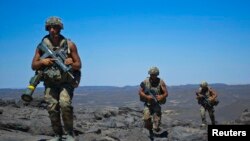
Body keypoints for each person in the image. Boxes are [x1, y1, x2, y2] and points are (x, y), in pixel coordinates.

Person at [31, 16, 82, 141]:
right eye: (50, 27)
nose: (53, 30)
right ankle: (57, 135)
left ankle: (69, 134)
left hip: (66, 82)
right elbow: (33, 66)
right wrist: (43, 61)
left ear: (60, 28)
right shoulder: (42, 45)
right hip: (50, 82)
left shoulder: (69, 45)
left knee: (65, 105)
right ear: (47, 28)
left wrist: (70, 63)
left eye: (56, 27)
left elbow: (78, 65)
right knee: (52, 107)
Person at [138, 67, 168, 138]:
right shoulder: (146, 81)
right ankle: (150, 131)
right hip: (148, 104)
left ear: (157, 74)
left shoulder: (161, 82)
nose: (153, 76)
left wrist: (161, 97)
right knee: (146, 118)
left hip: (156, 104)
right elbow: (140, 92)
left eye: (154, 75)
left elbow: (166, 93)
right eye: (151, 74)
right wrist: (147, 96)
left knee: (156, 126)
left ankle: (156, 129)